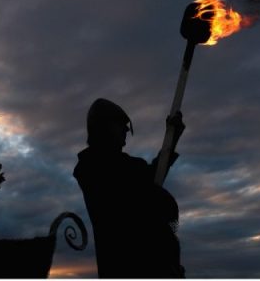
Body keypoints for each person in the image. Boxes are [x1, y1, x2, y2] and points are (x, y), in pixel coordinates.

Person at [73, 98, 185, 278]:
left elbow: (151, 180)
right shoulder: (92, 170)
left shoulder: (125, 167)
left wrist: (171, 141)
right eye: (121, 124)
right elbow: (144, 186)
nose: (126, 129)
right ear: (105, 127)